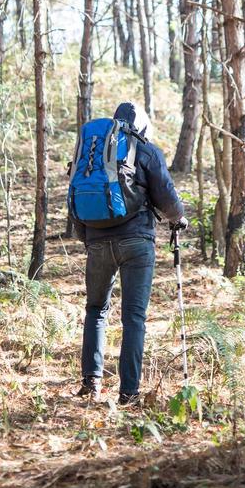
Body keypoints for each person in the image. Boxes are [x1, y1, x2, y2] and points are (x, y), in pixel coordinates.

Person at [74, 100, 187, 406]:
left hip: (97, 241)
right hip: (137, 242)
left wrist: (87, 237)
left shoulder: (93, 152)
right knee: (133, 317)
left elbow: (76, 195)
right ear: (143, 126)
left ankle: (91, 383)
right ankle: (128, 393)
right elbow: (167, 198)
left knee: (96, 310)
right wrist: (179, 219)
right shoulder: (146, 150)